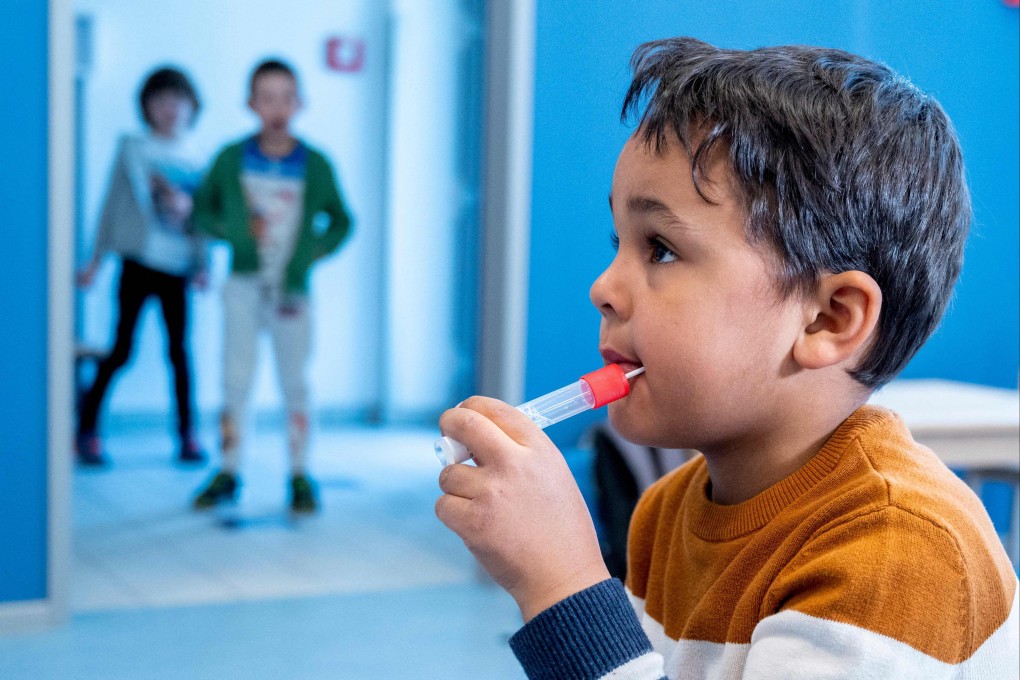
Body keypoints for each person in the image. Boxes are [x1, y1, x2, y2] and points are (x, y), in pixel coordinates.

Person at [435, 38, 1018, 679]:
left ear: (828, 318)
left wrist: (561, 587)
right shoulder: (667, 511)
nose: (602, 288)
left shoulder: (895, 553)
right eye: (618, 242)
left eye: (659, 248)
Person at [190, 59, 352, 514]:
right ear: (251, 104)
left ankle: (300, 473)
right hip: (242, 285)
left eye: (286, 96)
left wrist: (311, 253)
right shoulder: (230, 158)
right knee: (235, 381)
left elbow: (342, 221)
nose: (277, 107)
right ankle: (228, 468)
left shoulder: (315, 164)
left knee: (295, 384)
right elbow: (202, 211)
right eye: (267, 97)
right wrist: (232, 232)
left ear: (299, 103)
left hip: (292, 293)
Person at [76, 66, 208, 467]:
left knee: (179, 354)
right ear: (147, 107)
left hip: (178, 268)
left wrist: (202, 265)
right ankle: (87, 428)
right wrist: (94, 261)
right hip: (137, 262)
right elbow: (111, 206)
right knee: (120, 349)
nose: (169, 109)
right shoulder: (133, 149)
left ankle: (188, 435)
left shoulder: (197, 158)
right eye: (160, 101)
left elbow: (203, 221)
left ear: (191, 107)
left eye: (177, 101)